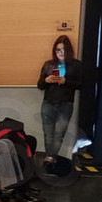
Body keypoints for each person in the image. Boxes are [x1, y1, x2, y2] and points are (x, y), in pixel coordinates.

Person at [37, 34, 83, 168]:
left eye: (63, 50)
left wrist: (65, 81)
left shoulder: (76, 65)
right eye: (58, 50)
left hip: (66, 104)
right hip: (48, 103)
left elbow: (81, 84)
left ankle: (50, 157)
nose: (60, 53)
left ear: (68, 51)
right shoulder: (48, 64)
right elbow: (40, 85)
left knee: (59, 134)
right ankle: (50, 158)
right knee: (48, 134)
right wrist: (47, 80)